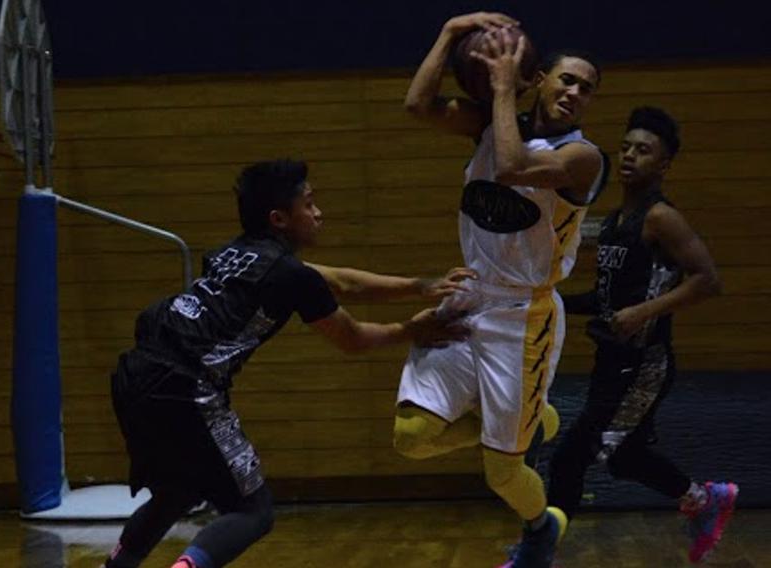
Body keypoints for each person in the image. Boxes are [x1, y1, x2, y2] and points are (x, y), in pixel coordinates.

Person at [101, 159, 472, 568]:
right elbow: (352, 338)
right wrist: (412, 330)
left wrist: (420, 286)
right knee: (252, 511)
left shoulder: (233, 251)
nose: (318, 213)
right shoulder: (290, 274)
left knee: (175, 492)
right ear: (279, 218)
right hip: (186, 385)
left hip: (134, 375)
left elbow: (341, 281)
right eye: (308, 204)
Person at [396, 11, 609, 567]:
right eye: (567, 79)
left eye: (587, 88)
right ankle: (532, 419)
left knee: (502, 472)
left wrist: (498, 93)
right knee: (412, 436)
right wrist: (447, 32)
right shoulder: (491, 125)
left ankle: (540, 530)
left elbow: (513, 166)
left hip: (524, 315)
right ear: (538, 79)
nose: (576, 93)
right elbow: (417, 105)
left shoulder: (582, 158)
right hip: (471, 297)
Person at [547, 107, 737, 564]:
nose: (630, 156)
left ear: (663, 164)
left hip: (643, 363)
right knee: (623, 457)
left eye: (644, 150)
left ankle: (538, 551)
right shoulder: (616, 221)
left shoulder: (660, 218)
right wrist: (550, 300)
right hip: (612, 361)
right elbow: (606, 296)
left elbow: (708, 279)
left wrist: (645, 311)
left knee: (570, 458)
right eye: (626, 147)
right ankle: (702, 498)